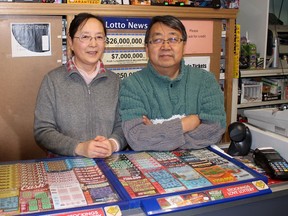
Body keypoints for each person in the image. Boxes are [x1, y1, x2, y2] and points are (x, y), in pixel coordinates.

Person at [119, 15, 226, 151]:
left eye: (173, 39)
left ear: (184, 45)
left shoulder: (206, 81)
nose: (166, 46)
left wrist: (156, 133)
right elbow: (137, 139)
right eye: (157, 40)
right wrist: (185, 124)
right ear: (146, 48)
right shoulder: (131, 85)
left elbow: (215, 130)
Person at [34, 13, 126, 158]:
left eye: (99, 37)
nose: (93, 44)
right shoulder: (52, 81)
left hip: (107, 163)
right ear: (70, 41)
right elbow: (43, 131)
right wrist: (78, 147)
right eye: (85, 37)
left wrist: (112, 143)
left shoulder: (115, 81)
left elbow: (123, 124)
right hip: (64, 165)